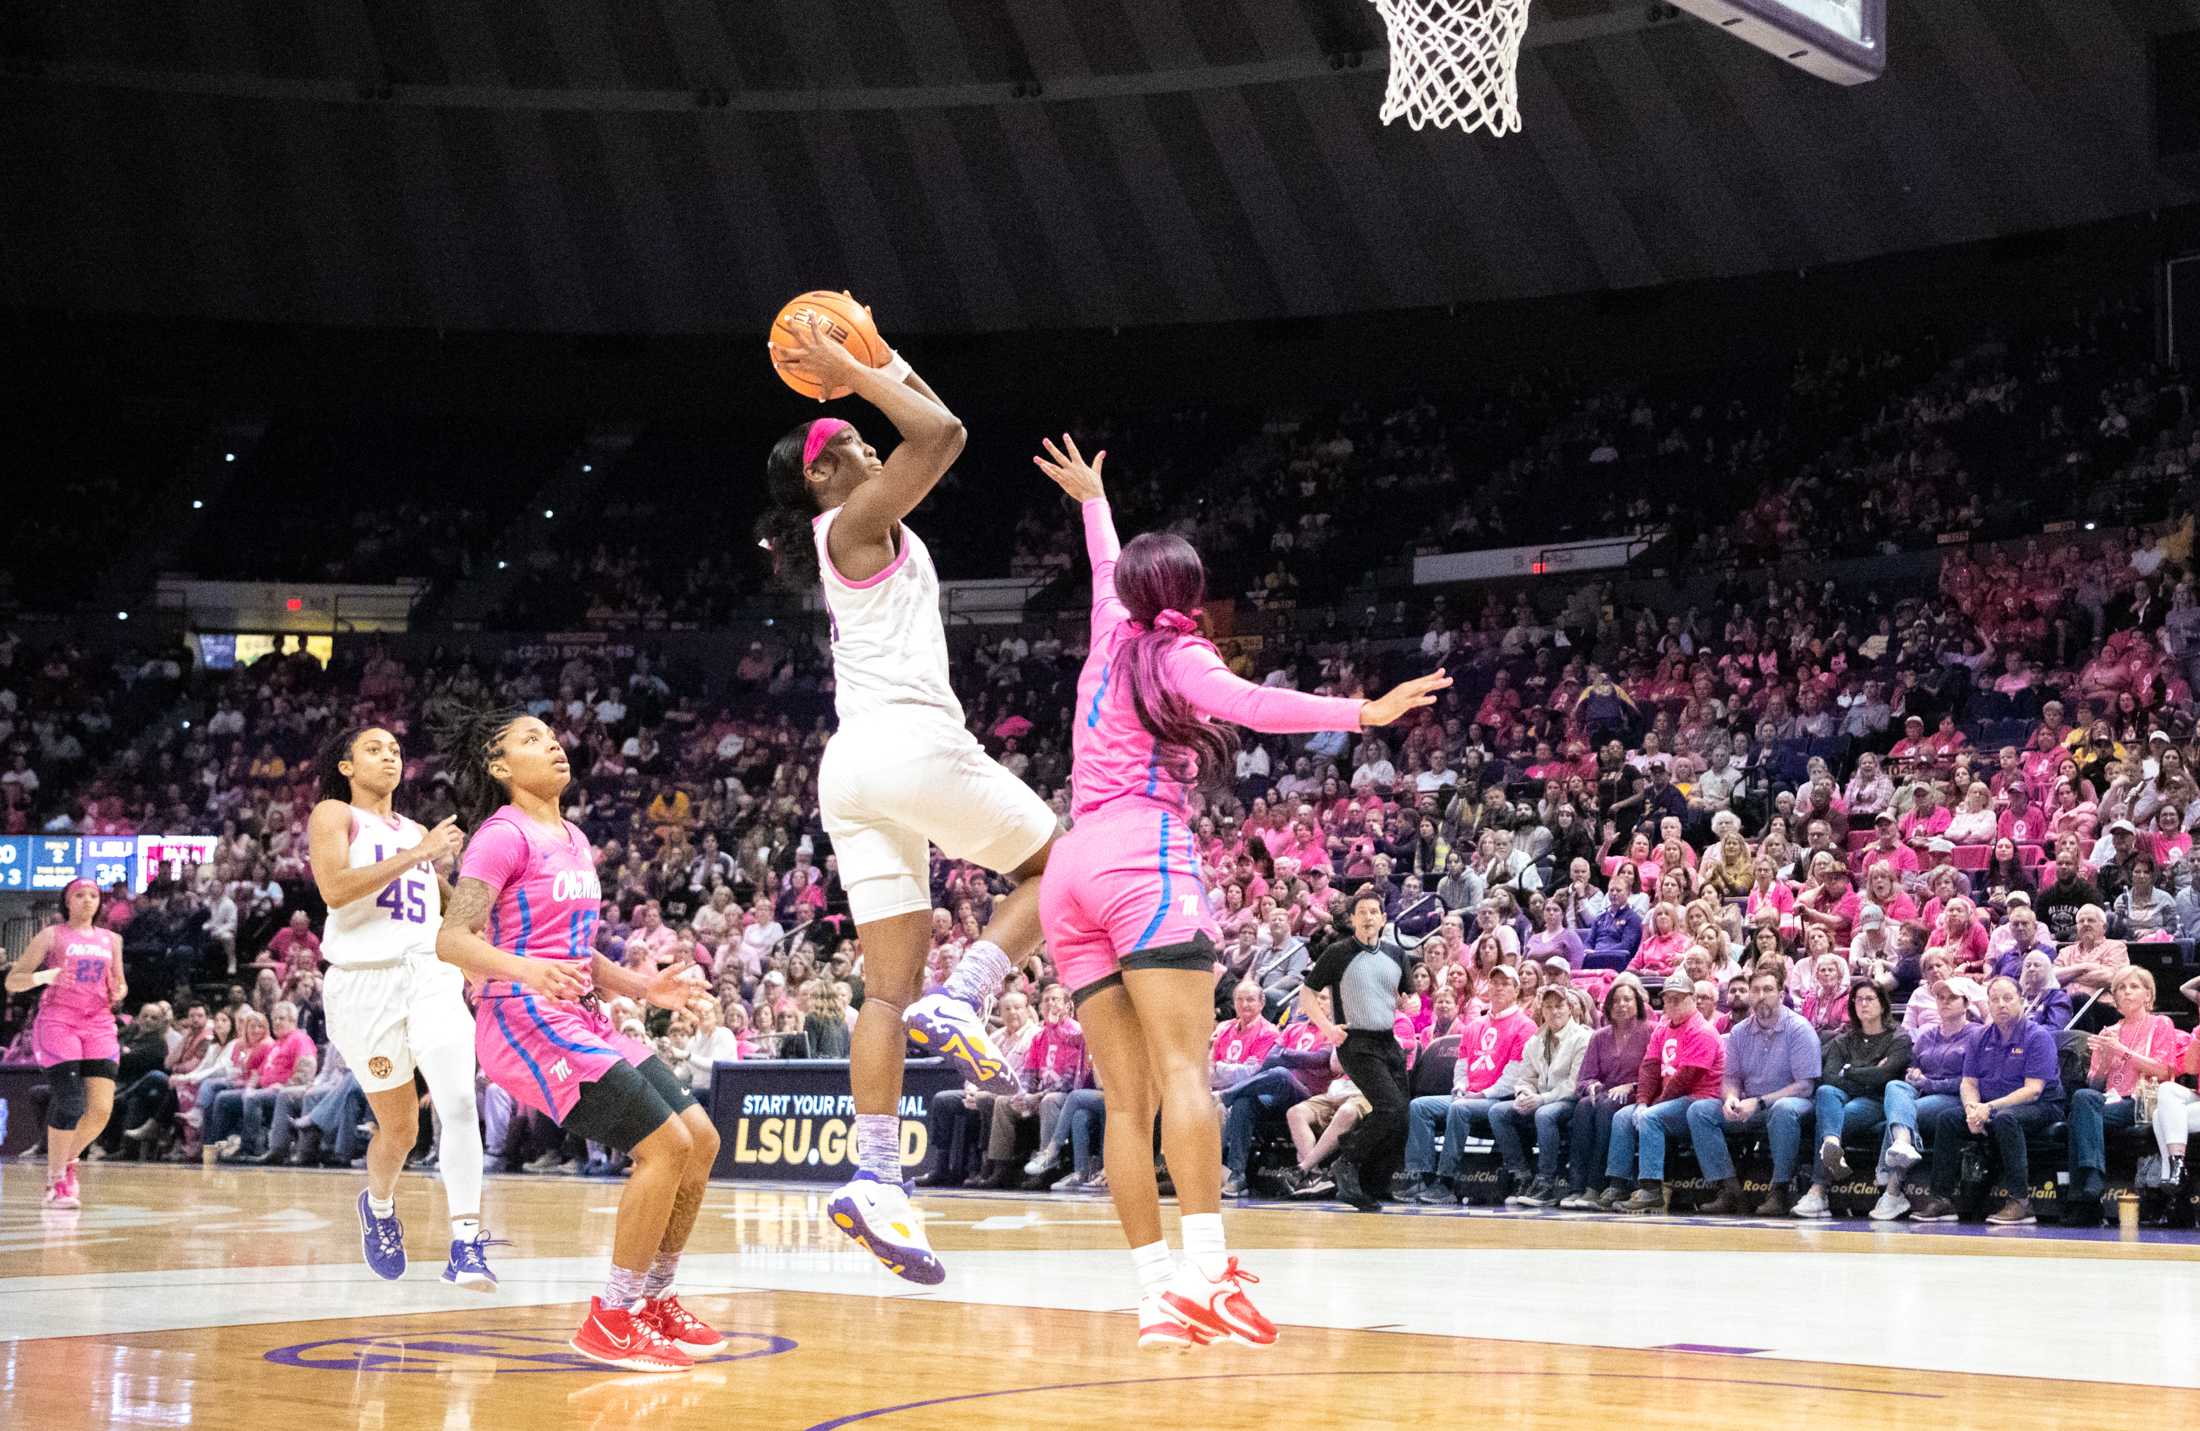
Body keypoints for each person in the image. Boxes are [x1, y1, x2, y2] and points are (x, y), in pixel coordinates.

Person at [1030, 435, 1446, 1348]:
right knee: (1185, 1075)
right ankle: (1212, 1277)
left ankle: (1155, 1298)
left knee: (1126, 1101)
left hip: (1070, 867)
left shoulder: (1110, 629)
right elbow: (1259, 704)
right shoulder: (1180, 660)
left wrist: (1096, 501)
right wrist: (1365, 712)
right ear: (1185, 593)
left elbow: (1104, 564)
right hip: (1144, 854)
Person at [759, 323, 1064, 1284]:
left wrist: (877, 350)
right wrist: (852, 373)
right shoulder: (850, 523)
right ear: (820, 478)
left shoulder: (866, 517)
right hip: (908, 744)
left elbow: (923, 417)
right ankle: (969, 993)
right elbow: (945, 436)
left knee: (882, 993)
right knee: (1065, 863)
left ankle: (876, 1176)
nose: (860, 440)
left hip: (854, 767)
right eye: (843, 442)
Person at [434, 707, 723, 1371]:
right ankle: (612, 1317)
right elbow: (452, 940)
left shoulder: (572, 835)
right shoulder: (499, 837)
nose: (553, 744)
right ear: (500, 766)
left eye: (553, 734)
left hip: (577, 1013)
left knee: (699, 1139)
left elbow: (577, 951)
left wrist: (646, 989)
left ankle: (654, 1299)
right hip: (518, 1016)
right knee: (665, 1144)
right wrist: (529, 968)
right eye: (531, 739)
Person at [306, 726, 495, 1291]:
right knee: (401, 1129)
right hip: (363, 986)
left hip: (429, 975)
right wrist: (419, 853)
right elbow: (334, 889)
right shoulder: (334, 815)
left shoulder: (417, 831)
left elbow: (451, 909)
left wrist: (488, 886)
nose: (389, 756)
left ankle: (467, 1244)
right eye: (374, 749)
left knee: (459, 1101)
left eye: (394, 749)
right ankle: (380, 1207)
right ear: (346, 766)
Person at [5, 880, 125, 1209]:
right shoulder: (51, 935)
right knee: (70, 1102)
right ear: (67, 901)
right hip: (59, 1021)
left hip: (99, 1023)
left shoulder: (112, 940)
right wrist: (46, 976)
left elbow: (120, 982)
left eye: (93, 896)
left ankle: (67, 1162)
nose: (87, 901)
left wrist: (119, 991)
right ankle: (56, 1182)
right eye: (80, 895)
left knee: (101, 1109)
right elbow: (13, 980)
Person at [1908, 976, 2065, 1225]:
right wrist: (1972, 1109)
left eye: (2008, 998)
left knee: (2006, 1118)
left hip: (2040, 1107)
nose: (2001, 1004)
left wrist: (1988, 1108)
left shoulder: (2038, 1037)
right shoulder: (1979, 1037)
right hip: (1988, 1106)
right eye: (1995, 999)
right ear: (1988, 1005)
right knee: (1948, 1118)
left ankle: (2021, 1202)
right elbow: (1969, 1083)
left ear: (2022, 1002)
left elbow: (2033, 1090)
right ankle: (1942, 1199)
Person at [1300, 895, 1415, 1215]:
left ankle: (1369, 1185)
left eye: (1374, 912)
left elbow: (1408, 995)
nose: (1368, 917)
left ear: (1383, 919)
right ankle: (1346, 1160)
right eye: (1361, 912)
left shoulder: (1396, 953)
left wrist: (1412, 1003)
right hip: (1355, 1042)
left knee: (1401, 1118)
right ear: (1352, 919)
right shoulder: (1337, 953)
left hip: (1388, 1041)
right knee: (1389, 1107)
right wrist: (1327, 1028)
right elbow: (1306, 994)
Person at [1684, 966, 1822, 1216]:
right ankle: (1729, 1190)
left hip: (1793, 1103)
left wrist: (1758, 1102)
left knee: (1783, 1110)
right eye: (1755, 990)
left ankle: (1779, 1191)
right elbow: (1731, 1078)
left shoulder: (1800, 1029)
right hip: (1750, 1105)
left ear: (1781, 995)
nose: (1760, 995)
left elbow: (1805, 1085)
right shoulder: (1738, 1032)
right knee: (1699, 1111)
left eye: (1768, 989)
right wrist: (1731, 1098)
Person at [1398, 963, 1536, 1205]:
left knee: (1459, 1108)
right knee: (1419, 1106)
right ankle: (1422, 1177)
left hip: (1500, 1098)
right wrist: (1460, 1087)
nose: (1498, 988)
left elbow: (1514, 1078)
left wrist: (1480, 1096)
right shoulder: (1474, 1026)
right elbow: (1462, 1065)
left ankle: (1446, 1181)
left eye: (1505, 984)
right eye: (1494, 983)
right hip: (1468, 1095)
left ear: (1516, 990)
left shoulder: (1525, 1026)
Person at [2064, 967, 2184, 1211]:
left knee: (2079, 1117)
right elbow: (2095, 1084)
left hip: (2142, 1101)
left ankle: (2082, 1195)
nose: (2127, 992)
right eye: (2121, 988)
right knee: (2082, 1098)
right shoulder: (2109, 1032)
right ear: (2115, 998)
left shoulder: (2160, 1024)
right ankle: (2093, 1178)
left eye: (2134, 986)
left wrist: (2122, 1051)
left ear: (2148, 995)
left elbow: (2162, 1070)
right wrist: (2105, 1061)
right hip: (2110, 1102)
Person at [1611, 972, 1726, 1214]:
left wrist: (1652, 1108)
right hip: (1669, 1100)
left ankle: (1651, 1189)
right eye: (1668, 999)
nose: (1671, 1004)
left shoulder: (1702, 1030)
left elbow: (1686, 1078)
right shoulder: (1662, 1029)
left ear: (1692, 999)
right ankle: (1617, 1184)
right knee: (1622, 1116)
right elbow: (1649, 1067)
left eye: (1678, 998)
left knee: (1651, 1118)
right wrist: (1642, 1101)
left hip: (1700, 1098)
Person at [1794, 983, 1910, 1218]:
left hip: (1876, 1101)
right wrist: (1866, 1073)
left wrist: (1849, 1071)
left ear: (1882, 1004)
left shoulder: (1899, 1037)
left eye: (1869, 999)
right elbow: (1829, 1076)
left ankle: (1818, 1190)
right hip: (1841, 1096)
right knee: (1826, 1092)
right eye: (1858, 1000)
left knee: (1833, 1120)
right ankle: (1831, 1145)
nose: (1864, 1004)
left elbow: (1883, 1077)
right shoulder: (1843, 1040)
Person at [1490, 985, 1591, 1207]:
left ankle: (1546, 1182)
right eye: (1548, 1007)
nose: (1554, 1012)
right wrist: (1523, 1093)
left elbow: (1574, 1084)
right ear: (1542, 1011)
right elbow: (1525, 1077)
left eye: (1559, 1006)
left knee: (1545, 1115)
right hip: (1539, 1099)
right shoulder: (1534, 1041)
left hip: (1569, 1102)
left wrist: (1541, 1099)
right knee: (1498, 1112)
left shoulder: (1583, 1038)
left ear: (1570, 1008)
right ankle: (1522, 1175)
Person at [1556, 977, 1653, 1209]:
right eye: (1616, 1000)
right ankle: (1577, 1187)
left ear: (1637, 1004)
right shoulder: (1599, 1037)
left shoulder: (1650, 1031)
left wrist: (1632, 1086)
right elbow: (1584, 1078)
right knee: (1583, 1107)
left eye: (1627, 999)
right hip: (1604, 1095)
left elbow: (1655, 1073)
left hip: (1635, 1094)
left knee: (1605, 1109)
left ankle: (1596, 1186)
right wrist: (1591, 1086)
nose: (1621, 1005)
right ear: (1608, 1006)